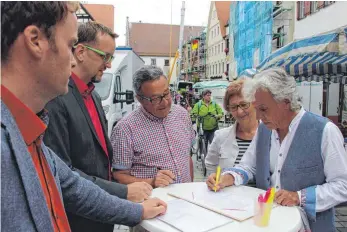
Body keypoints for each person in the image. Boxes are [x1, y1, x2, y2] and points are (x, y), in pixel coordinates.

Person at [1, 2, 166, 231]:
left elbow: (71, 185)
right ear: (35, 40)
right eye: (70, 46)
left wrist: (136, 211)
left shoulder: (28, 129)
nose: (72, 61)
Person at [206, 68, 347, 231]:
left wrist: (299, 197)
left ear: (286, 102)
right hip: (270, 224)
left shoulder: (325, 131)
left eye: (263, 109)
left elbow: (343, 185)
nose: (258, 116)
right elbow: (249, 165)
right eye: (256, 108)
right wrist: (227, 177)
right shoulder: (265, 129)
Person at [43, 21, 152, 232]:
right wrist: (122, 192)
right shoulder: (56, 98)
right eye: (105, 56)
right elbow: (62, 172)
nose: (109, 64)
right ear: (81, 52)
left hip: (101, 215)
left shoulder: (92, 95)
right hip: (77, 219)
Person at [111, 66, 195, 187]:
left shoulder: (182, 115)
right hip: (151, 202)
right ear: (139, 99)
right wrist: (152, 182)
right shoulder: (125, 129)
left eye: (166, 94)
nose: (165, 102)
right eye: (155, 98)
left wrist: (191, 188)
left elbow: (187, 157)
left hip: (186, 200)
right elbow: (118, 177)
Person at [205, 79, 258, 180]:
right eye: (233, 107)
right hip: (227, 195)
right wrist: (213, 179)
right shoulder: (221, 136)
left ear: (254, 103)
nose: (240, 112)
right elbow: (211, 165)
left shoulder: (271, 136)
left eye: (244, 104)